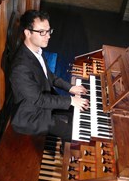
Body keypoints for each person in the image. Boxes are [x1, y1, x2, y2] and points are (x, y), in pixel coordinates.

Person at [9, 9, 89, 151]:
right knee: (74, 132)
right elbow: (39, 100)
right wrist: (70, 100)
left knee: (79, 112)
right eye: (42, 32)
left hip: (44, 101)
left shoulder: (36, 50)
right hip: (30, 116)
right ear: (28, 33)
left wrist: (70, 88)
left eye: (48, 31)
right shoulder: (20, 67)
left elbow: (49, 76)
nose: (48, 36)